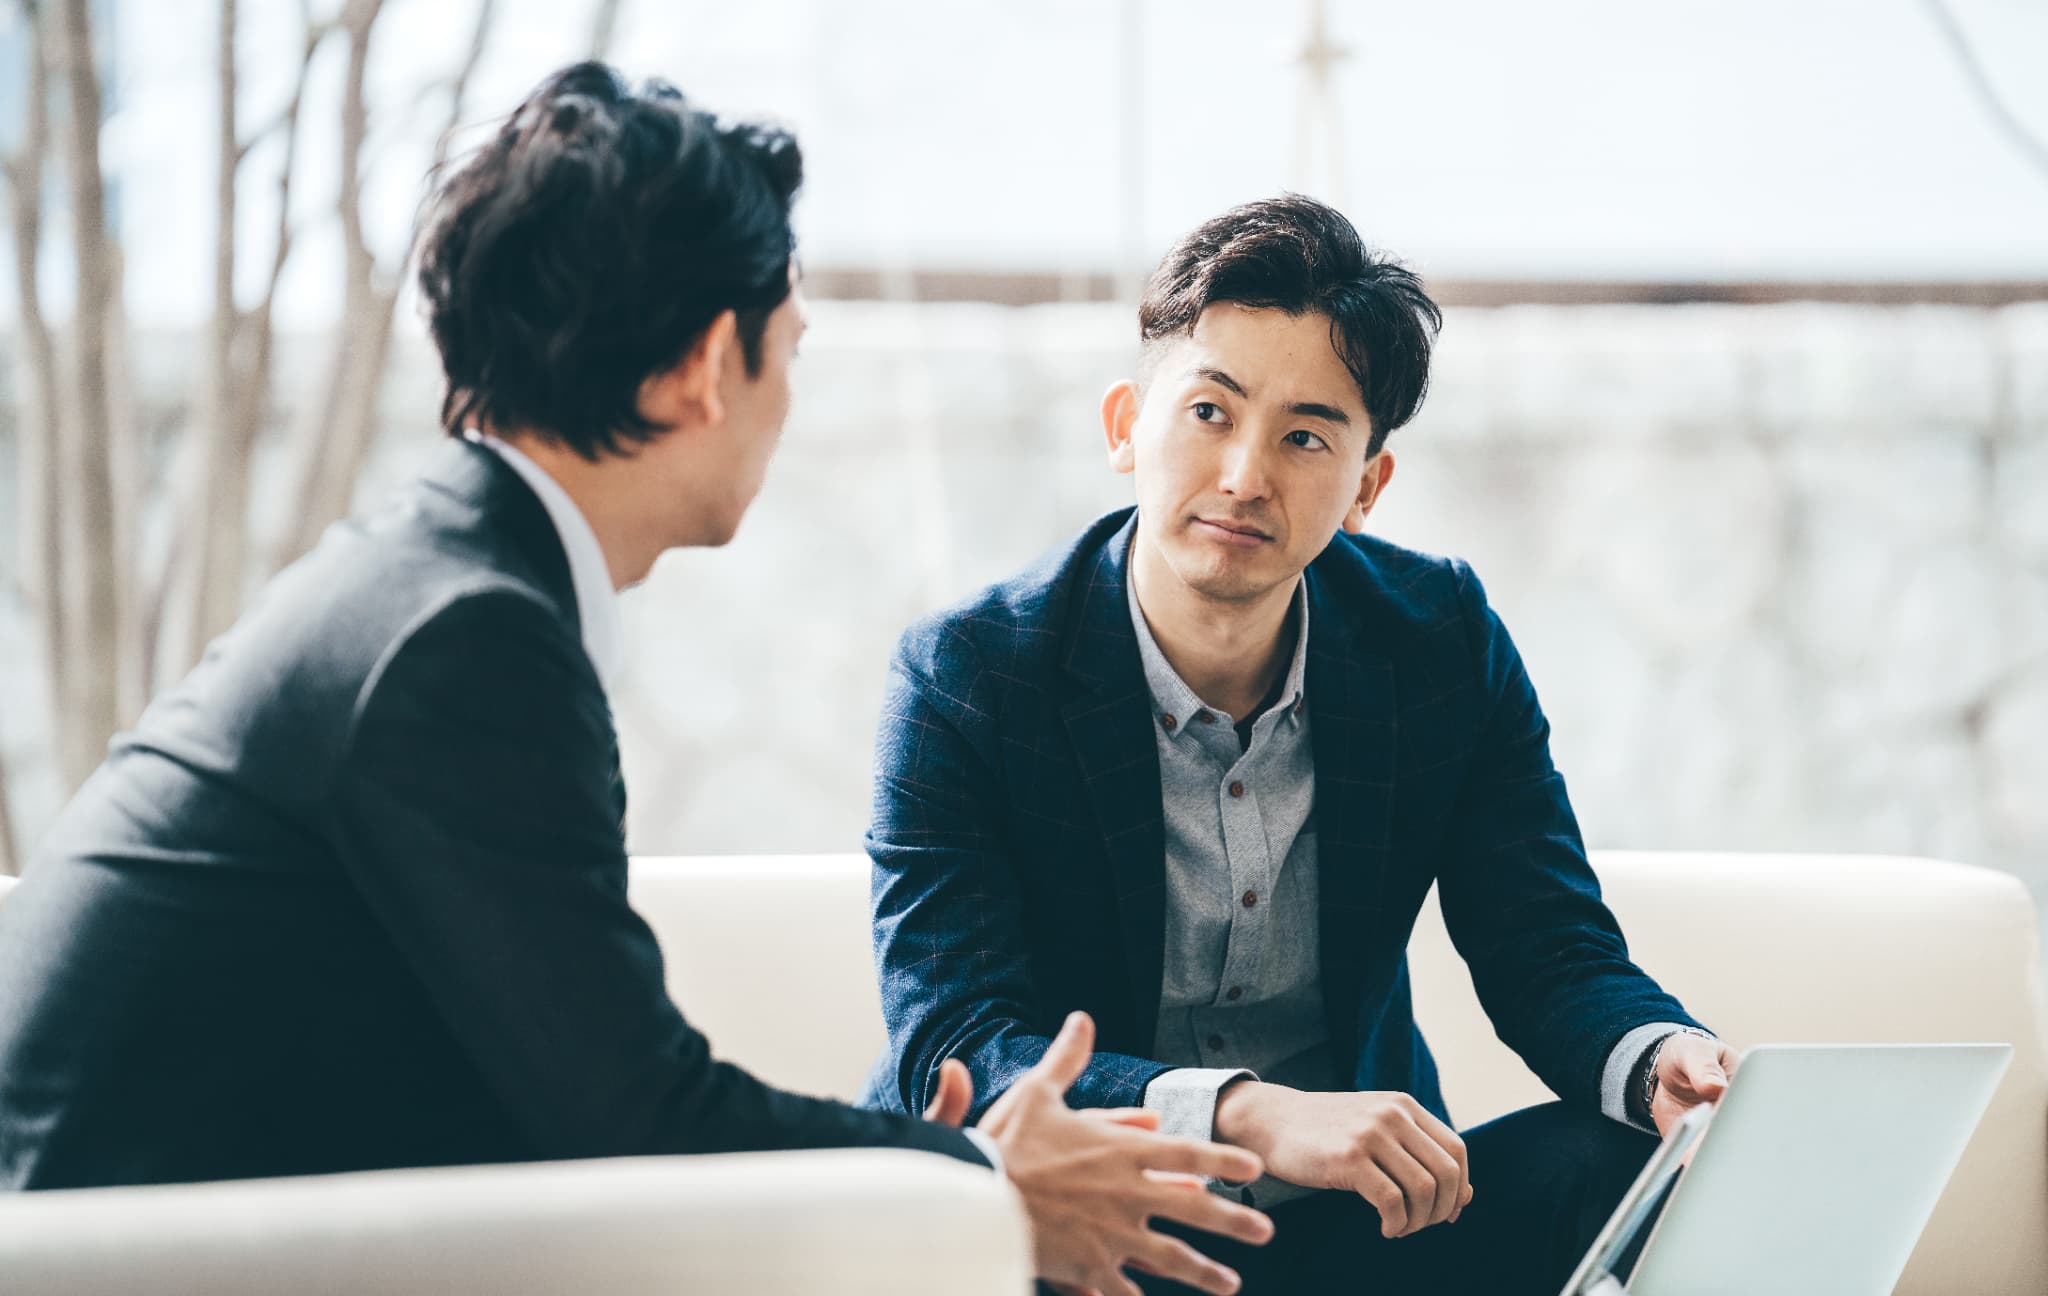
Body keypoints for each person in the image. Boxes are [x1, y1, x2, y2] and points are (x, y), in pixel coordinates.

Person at [0, 63, 1274, 1296]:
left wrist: (943, 1180)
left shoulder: (442, 578)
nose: (788, 402)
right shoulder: (463, 638)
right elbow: (629, 1111)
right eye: (790, 348)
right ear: (704, 368)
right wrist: (969, 1181)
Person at [862, 194, 1743, 1294]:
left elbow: (1546, 948)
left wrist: (1656, 1060)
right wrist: (1246, 1113)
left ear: (1366, 485)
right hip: (1091, 1242)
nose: (1243, 475)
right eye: (1208, 413)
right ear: (1125, 424)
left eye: (1305, 437)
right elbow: (956, 1041)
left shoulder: (1437, 643)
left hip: (1345, 1235)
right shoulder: (969, 676)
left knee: (1624, 1164)